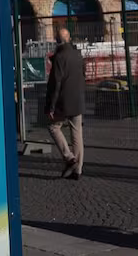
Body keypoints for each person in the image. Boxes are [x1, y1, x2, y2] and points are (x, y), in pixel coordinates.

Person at [45, 26, 85, 180]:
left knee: (53, 127)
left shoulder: (59, 58)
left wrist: (51, 106)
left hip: (63, 100)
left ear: (57, 40)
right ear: (69, 38)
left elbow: (56, 84)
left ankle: (69, 158)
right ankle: (78, 170)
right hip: (78, 99)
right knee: (77, 134)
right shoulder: (78, 55)